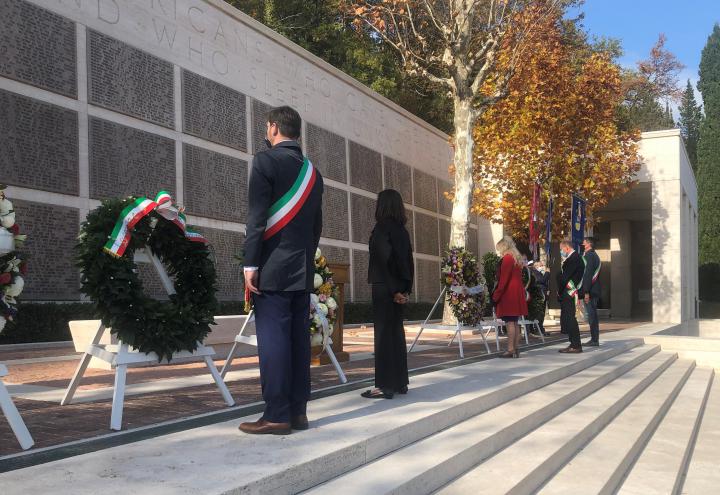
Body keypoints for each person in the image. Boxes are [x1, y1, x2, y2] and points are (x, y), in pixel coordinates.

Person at [239, 106, 324, 435]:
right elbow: (316, 227)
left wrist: (250, 263)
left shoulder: (264, 161)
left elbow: (257, 217)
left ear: (273, 128)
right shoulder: (313, 173)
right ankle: (298, 412)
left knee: (274, 342)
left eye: (267, 126)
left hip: (272, 269)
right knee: (298, 342)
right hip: (302, 269)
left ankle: (276, 414)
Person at [362, 189, 414, 399]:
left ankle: (384, 385)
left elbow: (384, 260)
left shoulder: (382, 228)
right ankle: (400, 382)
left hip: (385, 287)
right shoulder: (402, 230)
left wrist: (393, 291)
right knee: (396, 334)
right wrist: (404, 290)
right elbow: (407, 262)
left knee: (383, 336)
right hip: (397, 287)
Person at [492, 236, 528, 358]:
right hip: (516, 293)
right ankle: (516, 348)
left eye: (499, 249)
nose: (499, 252)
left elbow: (503, 280)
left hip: (509, 294)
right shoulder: (516, 258)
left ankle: (510, 349)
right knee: (515, 322)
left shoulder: (507, 259)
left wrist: (496, 295)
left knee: (510, 323)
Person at [557, 240, 584, 353]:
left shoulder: (574, 259)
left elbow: (565, 277)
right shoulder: (575, 258)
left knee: (570, 318)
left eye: (562, 249)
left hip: (569, 292)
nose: (561, 252)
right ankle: (573, 343)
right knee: (569, 318)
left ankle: (576, 345)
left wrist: (559, 288)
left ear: (567, 248)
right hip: (568, 292)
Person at [580, 236, 602, 346]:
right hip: (594, 289)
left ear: (588, 244)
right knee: (593, 315)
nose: (582, 244)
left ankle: (594, 340)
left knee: (591, 315)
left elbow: (587, 275)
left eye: (583, 243)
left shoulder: (589, 256)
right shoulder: (594, 255)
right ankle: (594, 339)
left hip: (591, 291)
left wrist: (586, 291)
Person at [529, 260, 549, 335]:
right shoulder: (534, 272)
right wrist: (547, 273)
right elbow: (542, 280)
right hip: (539, 295)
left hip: (542, 294)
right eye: (540, 265)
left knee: (541, 313)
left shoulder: (539, 272)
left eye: (542, 265)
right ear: (536, 266)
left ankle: (540, 328)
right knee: (539, 314)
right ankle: (538, 329)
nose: (542, 267)